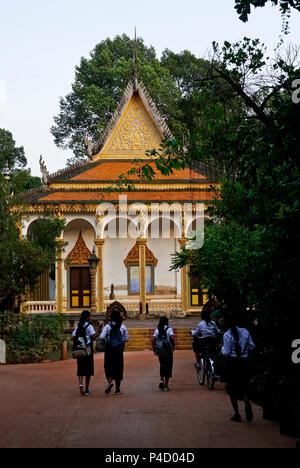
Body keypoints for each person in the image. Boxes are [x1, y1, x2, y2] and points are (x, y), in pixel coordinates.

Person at [221, 317, 256, 423]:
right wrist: (244, 350)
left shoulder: (227, 335)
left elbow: (226, 352)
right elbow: (252, 346)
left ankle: (237, 414)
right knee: (243, 385)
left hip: (233, 363)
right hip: (244, 363)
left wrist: (221, 349)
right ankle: (247, 403)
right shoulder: (245, 331)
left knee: (232, 388)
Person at [71, 310, 103, 396]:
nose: (90, 318)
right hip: (87, 350)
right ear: (87, 318)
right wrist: (99, 330)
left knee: (80, 368)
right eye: (89, 317)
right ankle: (87, 388)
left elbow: (72, 337)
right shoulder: (89, 326)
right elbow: (93, 337)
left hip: (79, 350)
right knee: (88, 370)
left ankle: (80, 384)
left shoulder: (78, 326)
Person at [100, 308, 129, 395]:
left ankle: (110, 382)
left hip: (110, 349)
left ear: (111, 317)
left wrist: (107, 339)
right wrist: (121, 341)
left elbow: (101, 337)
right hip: (119, 349)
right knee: (119, 368)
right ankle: (117, 389)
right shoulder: (122, 327)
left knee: (108, 366)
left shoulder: (108, 327)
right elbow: (127, 339)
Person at [152, 316, 175, 392]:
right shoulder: (169, 329)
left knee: (162, 365)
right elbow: (172, 338)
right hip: (167, 351)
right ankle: (165, 385)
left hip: (160, 351)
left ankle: (161, 379)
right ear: (166, 322)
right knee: (168, 367)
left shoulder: (157, 329)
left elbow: (153, 340)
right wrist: (172, 346)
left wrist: (154, 349)